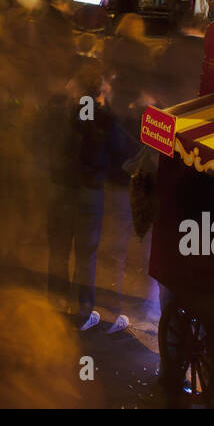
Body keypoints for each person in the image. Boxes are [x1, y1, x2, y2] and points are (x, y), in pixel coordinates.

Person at [44, 59, 131, 331]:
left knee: (59, 248)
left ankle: (56, 300)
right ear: (98, 91)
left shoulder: (59, 112)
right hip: (90, 192)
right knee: (86, 254)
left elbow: (46, 142)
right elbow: (123, 152)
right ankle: (82, 310)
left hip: (61, 188)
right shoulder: (105, 117)